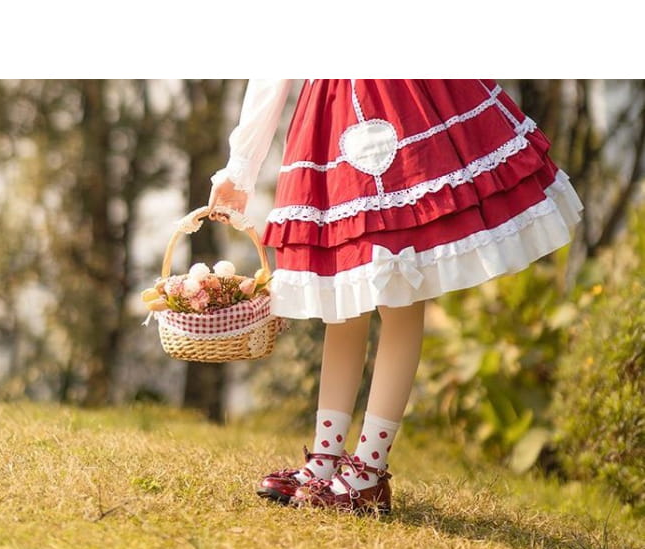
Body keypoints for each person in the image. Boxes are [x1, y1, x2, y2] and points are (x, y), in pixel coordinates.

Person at [207, 79, 583, 515]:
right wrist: (240, 168)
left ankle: (368, 471)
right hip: (330, 114)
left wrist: (241, 168)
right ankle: (325, 462)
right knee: (341, 298)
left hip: (402, 101)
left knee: (400, 295)